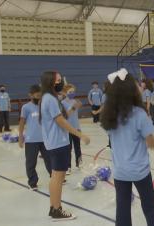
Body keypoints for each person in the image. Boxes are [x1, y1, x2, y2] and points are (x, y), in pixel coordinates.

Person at [101, 68, 154, 226]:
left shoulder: (110, 115)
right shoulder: (139, 114)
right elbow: (151, 142)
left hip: (120, 171)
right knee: (149, 206)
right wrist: (153, 143)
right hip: (140, 170)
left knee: (122, 208)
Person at [40, 71, 90, 221]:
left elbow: (64, 115)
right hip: (58, 143)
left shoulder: (49, 98)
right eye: (59, 80)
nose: (61, 82)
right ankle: (57, 210)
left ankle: (54, 207)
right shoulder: (50, 99)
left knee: (56, 176)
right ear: (52, 82)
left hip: (55, 142)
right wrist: (80, 135)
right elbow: (60, 121)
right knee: (57, 177)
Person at [18, 85, 52, 190]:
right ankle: (32, 182)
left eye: (40, 95)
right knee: (31, 162)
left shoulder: (44, 106)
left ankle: (55, 177)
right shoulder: (26, 107)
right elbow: (22, 122)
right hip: (31, 140)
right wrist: (20, 137)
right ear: (31, 95)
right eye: (37, 95)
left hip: (45, 139)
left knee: (50, 160)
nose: (39, 97)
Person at [61, 84, 83, 174]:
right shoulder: (62, 103)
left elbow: (75, 117)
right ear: (65, 93)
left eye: (73, 92)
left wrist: (79, 127)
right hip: (67, 129)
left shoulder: (75, 101)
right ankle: (68, 166)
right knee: (68, 148)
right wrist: (74, 107)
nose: (72, 93)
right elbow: (65, 116)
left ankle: (79, 163)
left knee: (78, 146)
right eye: (70, 92)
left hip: (76, 128)